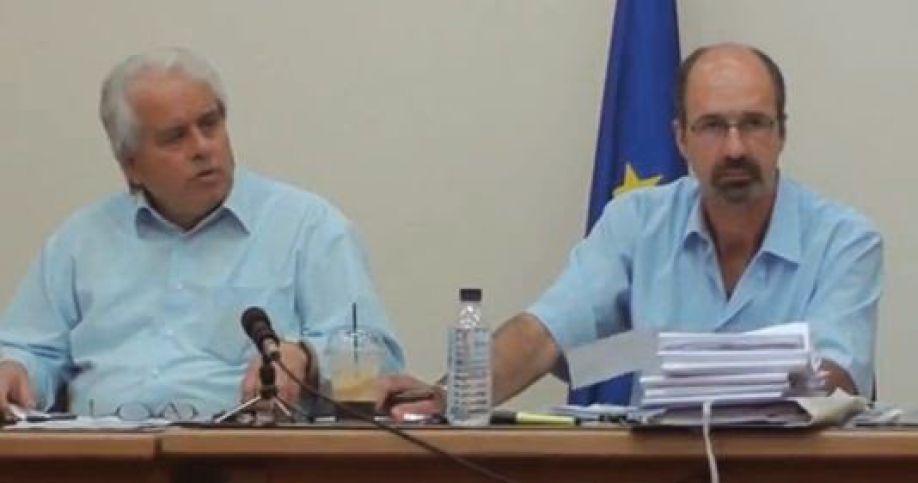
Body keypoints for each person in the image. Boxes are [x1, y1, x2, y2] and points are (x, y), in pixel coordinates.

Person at [379, 42, 882, 420]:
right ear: (680, 139)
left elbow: (833, 378)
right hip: (662, 469)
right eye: (712, 126)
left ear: (782, 134)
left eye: (753, 124)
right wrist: (446, 397)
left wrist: (674, 361)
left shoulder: (845, 240)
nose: (734, 148)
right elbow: (545, 335)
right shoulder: (637, 224)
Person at [0, 47, 404, 419]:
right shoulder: (81, 242)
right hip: (98, 452)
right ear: (130, 165)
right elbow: (28, 349)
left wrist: (306, 356)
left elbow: (380, 360)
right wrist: (16, 370)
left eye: (210, 125)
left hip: (251, 452)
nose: (202, 147)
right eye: (175, 137)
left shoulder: (309, 227)